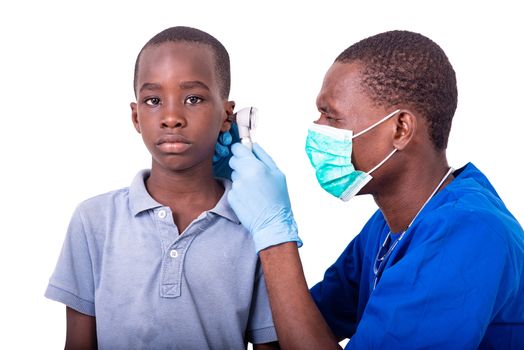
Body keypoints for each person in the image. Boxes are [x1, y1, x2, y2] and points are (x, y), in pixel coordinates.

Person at [219, 30, 524, 349]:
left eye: (331, 116)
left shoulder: (469, 234)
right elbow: (292, 335)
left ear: (401, 129)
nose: (317, 129)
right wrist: (230, 189)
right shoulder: (388, 228)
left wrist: (275, 236)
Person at [45, 26, 278, 349]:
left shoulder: (256, 226)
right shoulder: (94, 220)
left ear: (226, 115)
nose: (171, 117)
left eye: (193, 98)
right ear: (136, 116)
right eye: (153, 100)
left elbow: (270, 344)